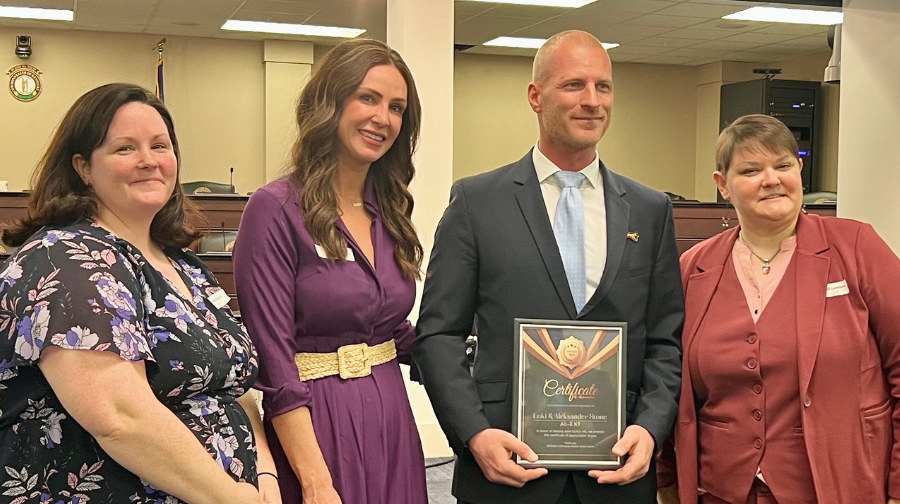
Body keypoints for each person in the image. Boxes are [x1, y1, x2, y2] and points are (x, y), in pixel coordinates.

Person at [411, 29, 684, 504]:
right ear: (536, 97)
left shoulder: (649, 209)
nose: (592, 101)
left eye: (603, 86)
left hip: (616, 471)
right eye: (574, 85)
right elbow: (438, 335)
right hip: (507, 469)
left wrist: (651, 429)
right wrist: (474, 434)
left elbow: (665, 339)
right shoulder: (477, 203)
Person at [0, 83, 279, 503]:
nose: (149, 161)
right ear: (83, 167)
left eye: (160, 145)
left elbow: (235, 388)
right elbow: (121, 418)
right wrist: (233, 498)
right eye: (125, 149)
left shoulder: (185, 265)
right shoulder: (63, 259)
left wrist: (266, 480)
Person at [657, 114, 900, 504]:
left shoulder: (856, 248)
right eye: (751, 170)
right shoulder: (693, 269)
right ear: (722, 185)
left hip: (835, 487)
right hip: (719, 491)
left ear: (799, 170)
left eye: (783, 165)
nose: (771, 179)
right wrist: (666, 479)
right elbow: (669, 384)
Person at [233, 38, 427, 503]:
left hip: (392, 422)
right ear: (330, 103)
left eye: (397, 107)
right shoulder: (275, 209)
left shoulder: (390, 212)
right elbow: (274, 361)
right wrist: (315, 479)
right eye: (368, 98)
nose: (383, 118)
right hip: (316, 427)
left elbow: (388, 326)